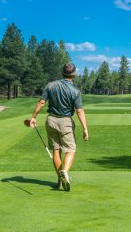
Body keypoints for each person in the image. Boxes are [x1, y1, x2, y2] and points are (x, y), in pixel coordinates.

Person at [29, 63, 88, 191]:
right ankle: (65, 172)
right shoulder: (75, 91)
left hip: (51, 120)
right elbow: (79, 111)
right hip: (65, 122)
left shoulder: (50, 85)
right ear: (75, 75)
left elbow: (41, 102)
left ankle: (60, 180)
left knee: (56, 151)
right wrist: (85, 128)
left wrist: (33, 117)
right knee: (70, 150)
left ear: (62, 73)